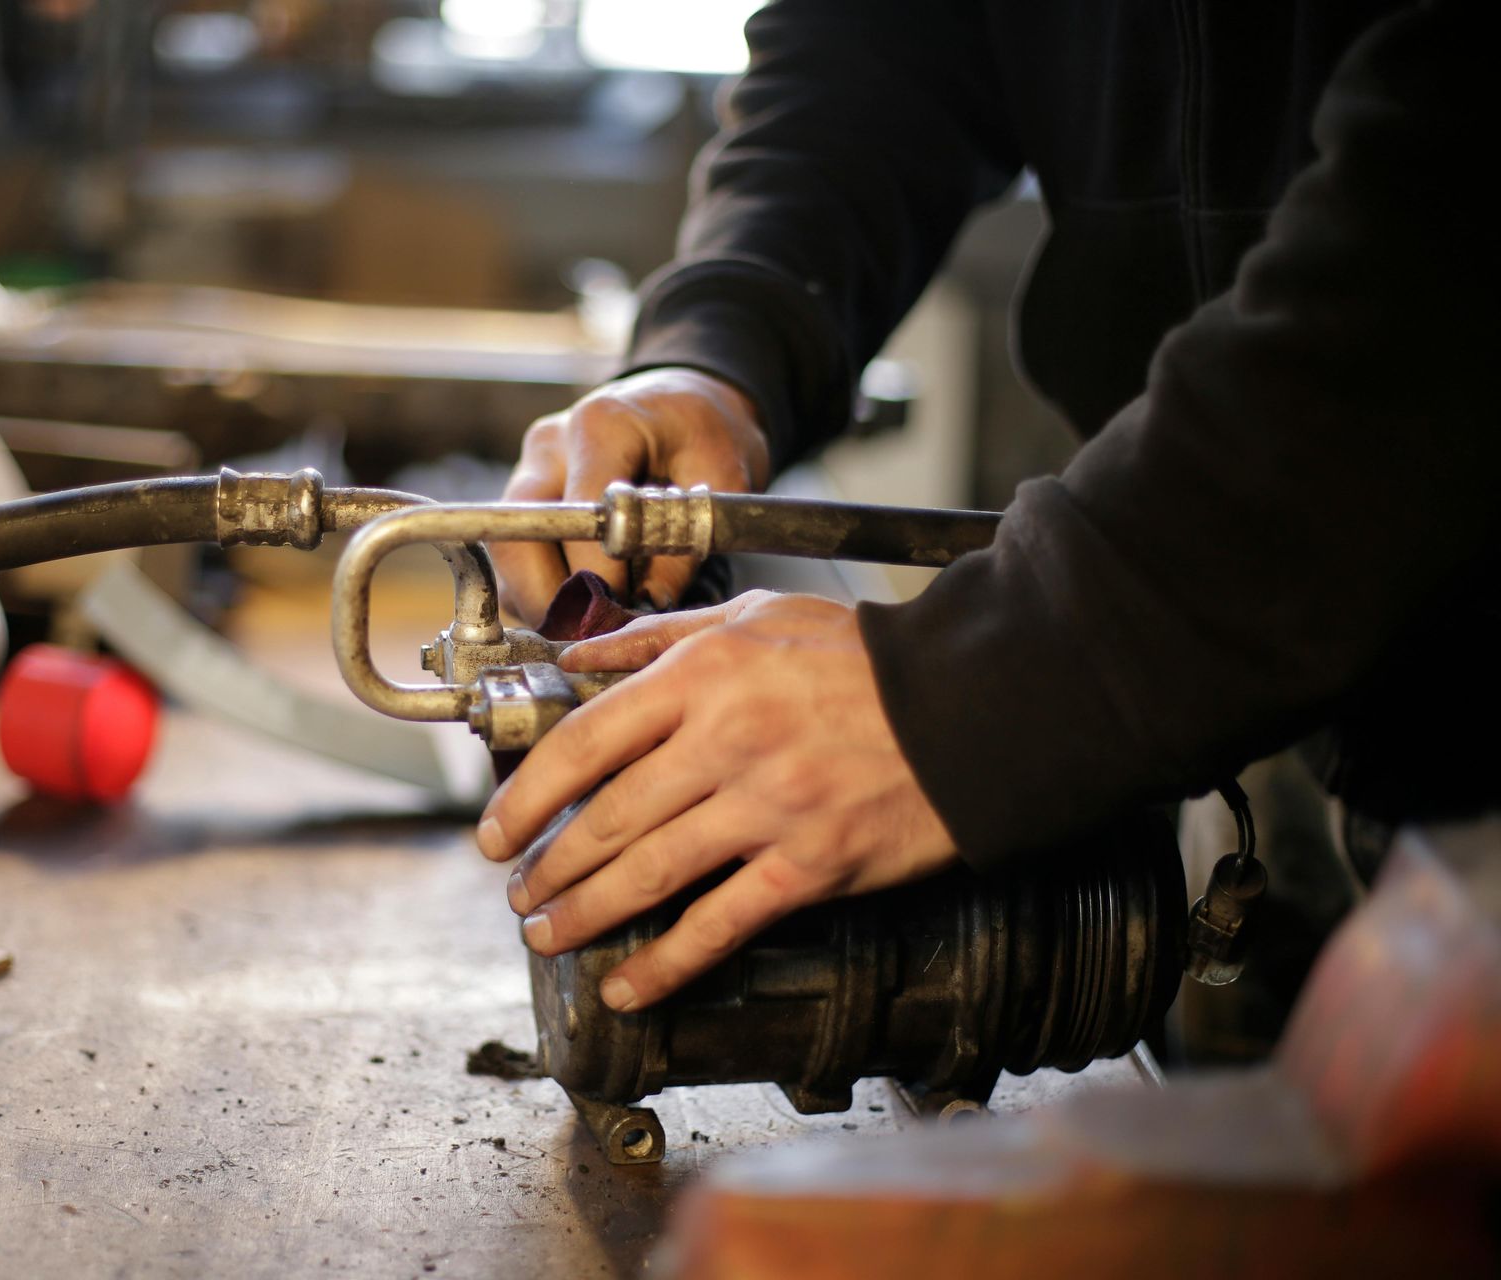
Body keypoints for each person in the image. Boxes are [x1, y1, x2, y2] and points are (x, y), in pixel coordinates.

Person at [475, 0, 1494, 1016]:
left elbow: (1453, 217)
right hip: (1241, 678)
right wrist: (720, 339)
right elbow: (888, 46)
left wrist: (983, 690)